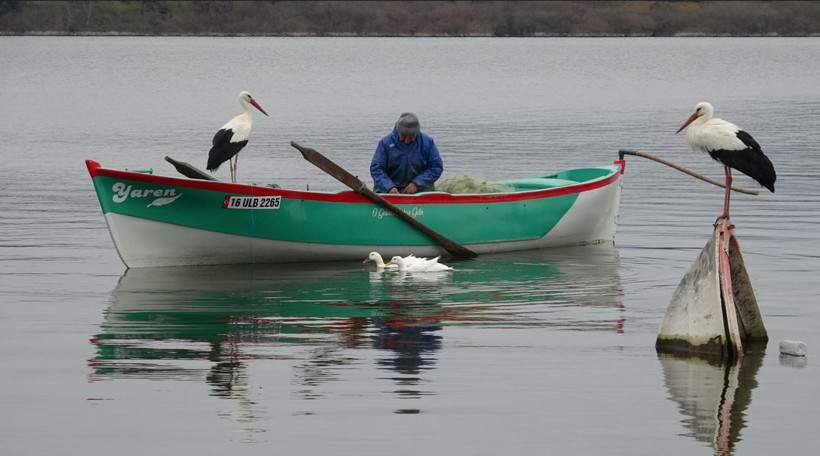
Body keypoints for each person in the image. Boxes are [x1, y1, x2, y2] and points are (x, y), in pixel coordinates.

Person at [370, 112, 443, 194]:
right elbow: (376, 169)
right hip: (388, 192)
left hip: (420, 191)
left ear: (416, 133)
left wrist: (417, 183)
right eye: (403, 137)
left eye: (411, 137)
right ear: (398, 131)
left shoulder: (428, 142)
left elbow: (436, 167)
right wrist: (389, 187)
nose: (407, 141)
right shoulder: (385, 143)